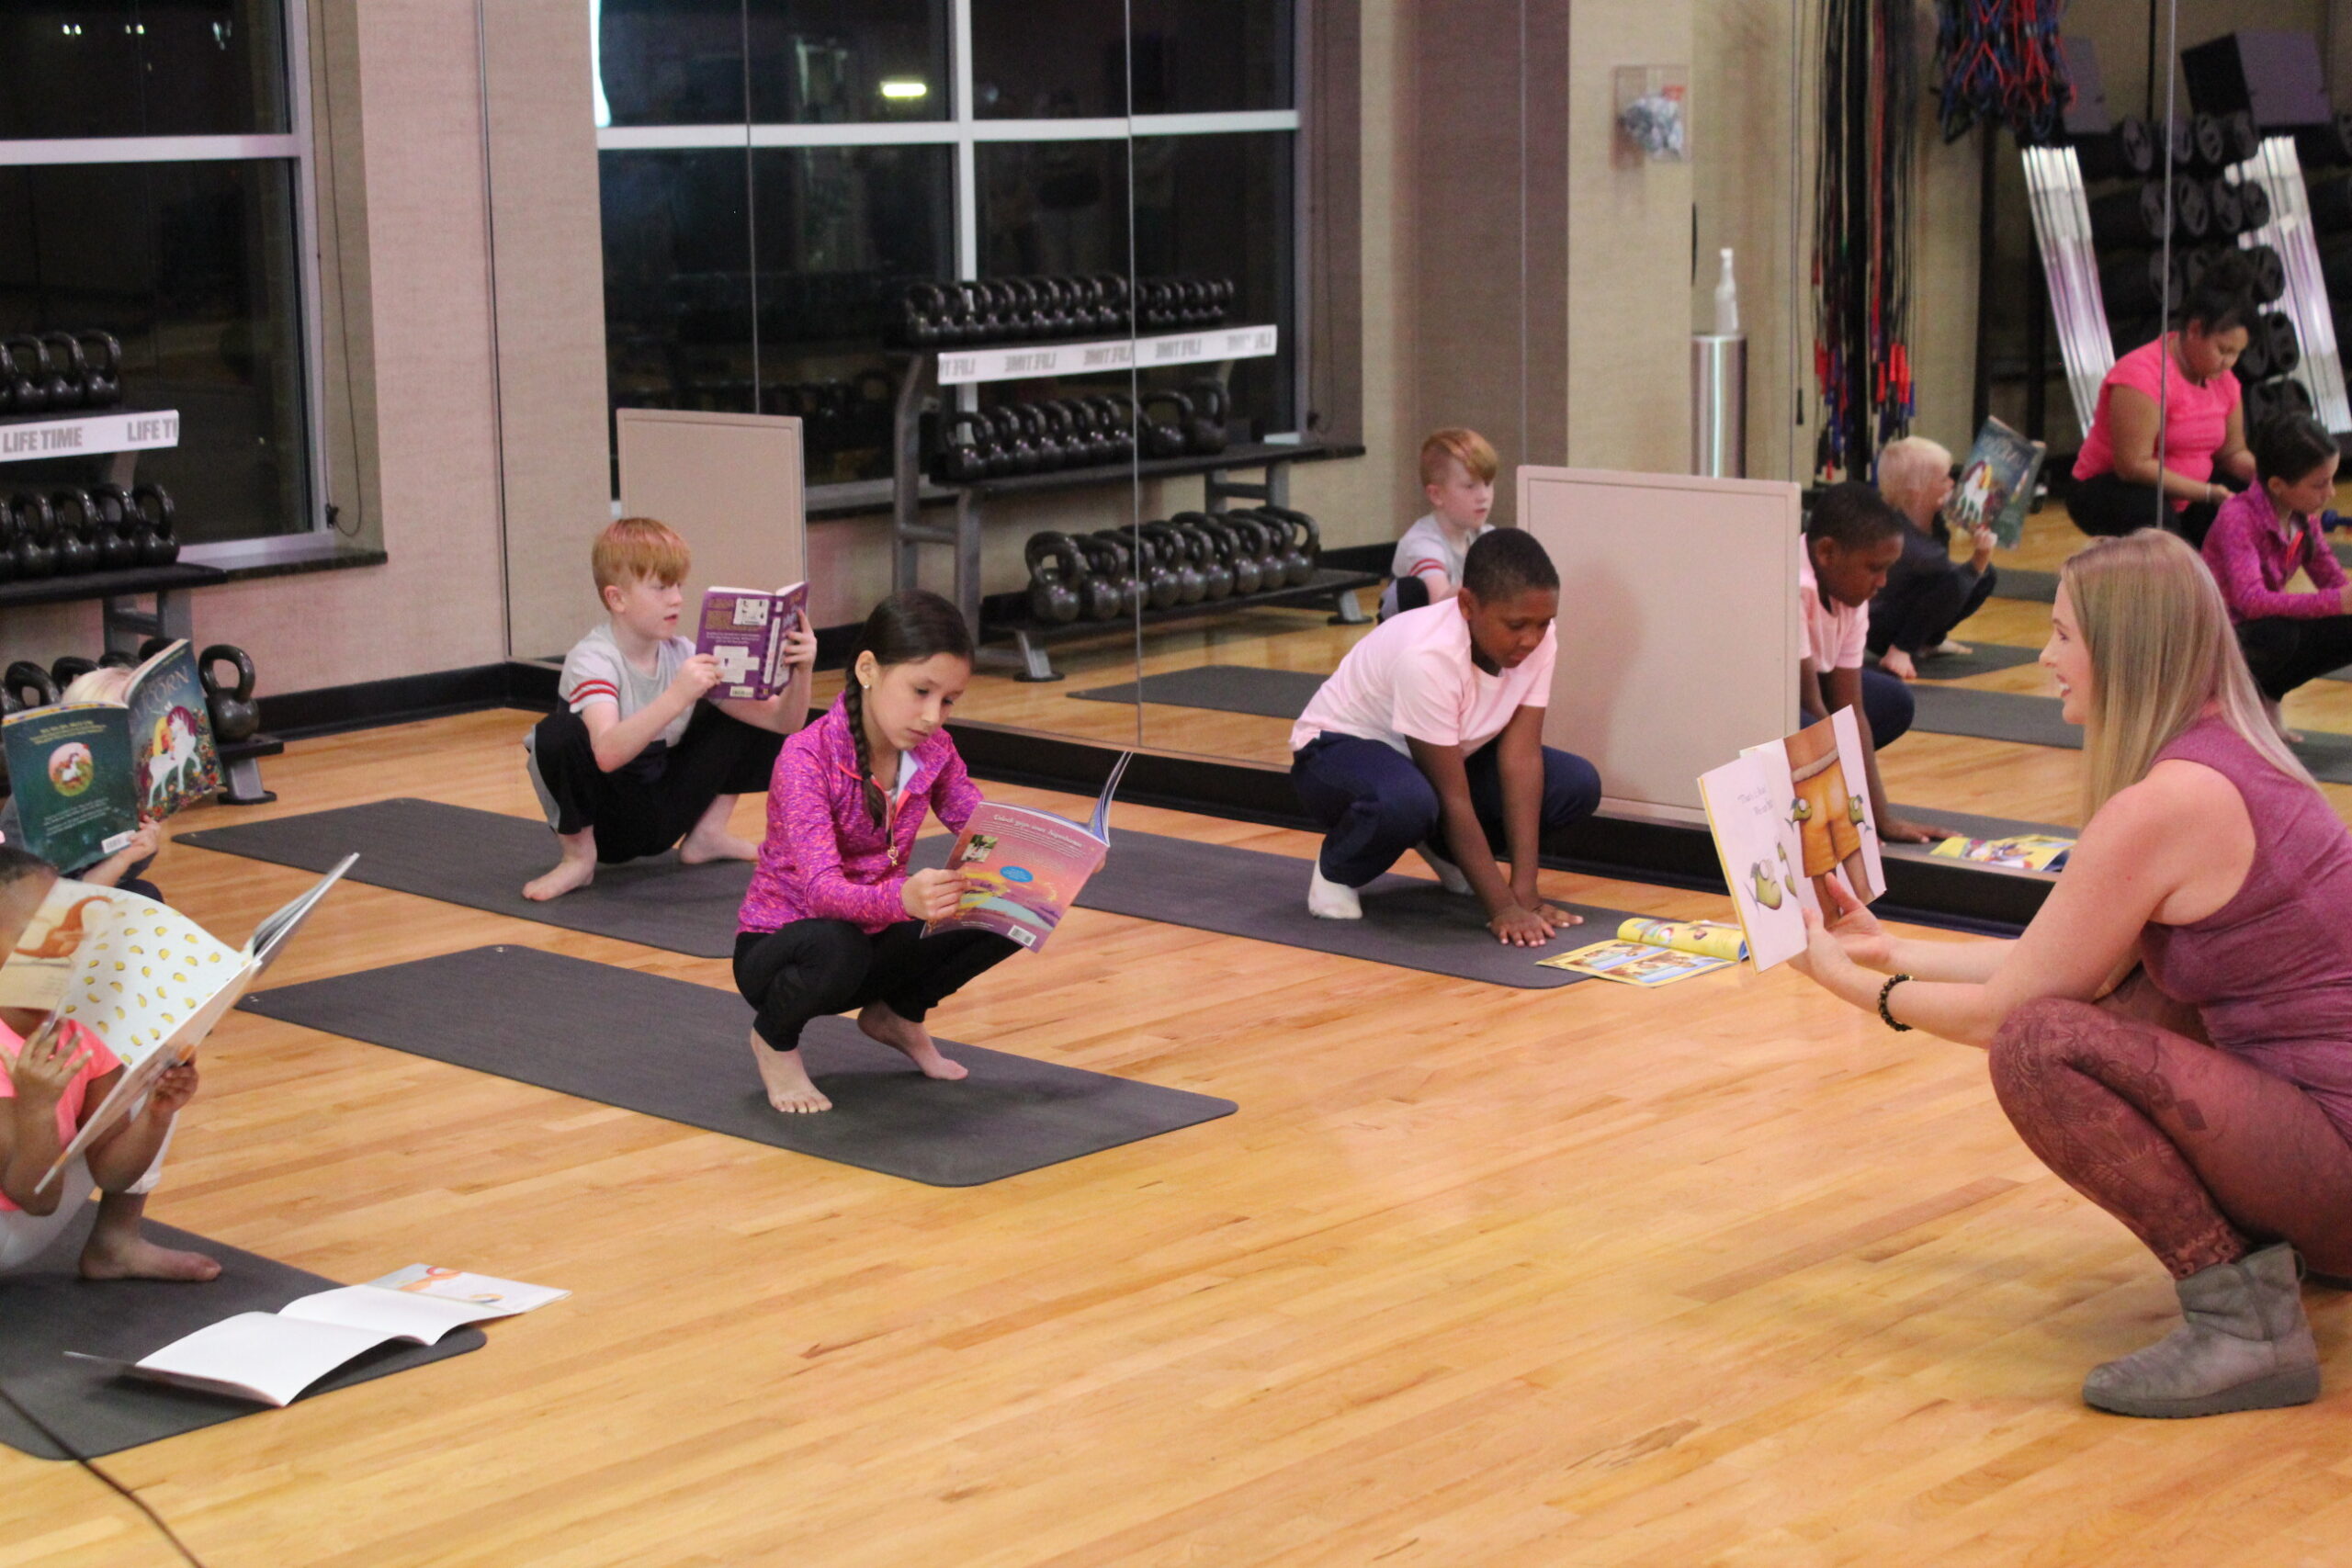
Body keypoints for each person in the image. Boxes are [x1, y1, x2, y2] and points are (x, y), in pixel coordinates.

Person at [1790, 528, 2352, 1418]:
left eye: (2062, 635)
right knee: (2133, 996)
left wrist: (1854, 987)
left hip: (2334, 1156)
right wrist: (1891, 948)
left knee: (2037, 1045)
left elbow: (2015, 1010)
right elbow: (2064, 961)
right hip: (2324, 1144)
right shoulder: (2228, 757)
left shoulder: (2168, 803)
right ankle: (2274, 1273)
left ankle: (2247, 1328)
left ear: (2121, 652)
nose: (2047, 657)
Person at [732, 592, 1017, 1115]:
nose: (933, 716)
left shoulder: (935, 751)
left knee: (1013, 903)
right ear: (868, 669)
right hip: (786, 951)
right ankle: (773, 1040)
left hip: (875, 941)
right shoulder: (805, 758)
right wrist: (906, 901)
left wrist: (1057, 852)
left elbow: (981, 830)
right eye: (921, 691)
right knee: (838, 944)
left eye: (948, 700)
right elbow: (822, 893)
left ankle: (896, 1014)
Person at [1291, 527, 1602, 946]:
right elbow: (1451, 795)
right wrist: (1501, 907)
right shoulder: (1428, 657)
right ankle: (1337, 869)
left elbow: (1521, 760)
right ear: (1468, 605)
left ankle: (1441, 846)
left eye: (1543, 623)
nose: (1531, 638)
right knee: (1408, 801)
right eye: (1516, 625)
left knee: (1574, 783)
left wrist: (1524, 894)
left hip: (1435, 761)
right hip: (1334, 753)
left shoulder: (1538, 641)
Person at [523, 516, 817, 900]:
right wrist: (679, 694)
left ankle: (708, 835)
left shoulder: (683, 654)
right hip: (607, 819)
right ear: (617, 598)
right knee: (556, 735)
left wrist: (802, 671)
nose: (676, 598)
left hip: (662, 805)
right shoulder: (592, 659)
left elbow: (784, 723)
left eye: (678, 586)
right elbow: (608, 753)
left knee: (739, 703)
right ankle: (578, 859)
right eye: (660, 588)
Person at [0, 845, 214, 1280]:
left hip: (22, 1225)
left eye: (67, 926)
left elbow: (113, 1172)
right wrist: (37, 1108)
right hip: (16, 1219)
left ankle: (116, 1245)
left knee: (152, 1057)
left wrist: (156, 1112)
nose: (60, 944)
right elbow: (35, 1199)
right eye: (33, 934)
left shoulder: (77, 1027)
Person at [2068, 255, 2258, 547]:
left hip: (2184, 495)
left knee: (2247, 504)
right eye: (2223, 350)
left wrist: (2274, 478)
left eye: (2237, 353)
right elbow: (2133, 466)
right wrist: (2206, 492)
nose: (2229, 362)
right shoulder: (2141, 374)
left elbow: (2232, 453)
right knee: (2162, 529)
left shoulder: (2225, 382)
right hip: (2111, 489)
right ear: (2194, 330)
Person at [1800, 483, 1932, 843]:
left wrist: (1880, 817)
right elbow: (1812, 704)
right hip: (1762, 703)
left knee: (1893, 704)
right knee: (1808, 727)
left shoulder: (1850, 596)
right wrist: (1848, 815)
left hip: (1808, 694)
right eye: (1874, 568)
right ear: (1827, 552)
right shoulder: (1792, 585)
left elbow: (1850, 708)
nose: (1883, 582)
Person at [2201, 412, 2352, 721]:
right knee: (2277, 633)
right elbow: (2252, 602)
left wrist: (2345, 599)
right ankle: (2230, 704)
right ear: (2278, 485)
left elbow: (2333, 581)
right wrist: (2337, 602)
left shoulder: (2303, 517)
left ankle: (2267, 697)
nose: (2330, 494)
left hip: (2258, 632)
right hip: (2220, 638)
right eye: (2319, 484)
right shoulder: (2237, 518)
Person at [0, 667, 165, 901]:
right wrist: (120, 860)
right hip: (34, 912)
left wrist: (140, 848)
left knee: (145, 894)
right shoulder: (30, 808)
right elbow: (53, 905)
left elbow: (122, 878)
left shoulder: (121, 789)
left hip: (88, 894)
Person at [1869, 435, 1997, 680]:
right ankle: (1900, 649)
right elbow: (1947, 577)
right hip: (1880, 624)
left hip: (1904, 610)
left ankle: (1929, 641)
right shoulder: (1900, 534)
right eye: (1944, 479)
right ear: (1917, 491)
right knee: (1961, 578)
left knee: (1985, 575)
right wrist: (1979, 557)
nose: (1952, 484)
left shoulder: (1933, 522)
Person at [1377, 428, 1497, 620]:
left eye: (1488, 483)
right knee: (1412, 590)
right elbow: (1440, 608)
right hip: (1410, 641)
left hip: (1451, 638)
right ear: (1436, 495)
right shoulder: (1421, 543)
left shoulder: (1485, 536)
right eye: (1470, 486)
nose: (1483, 496)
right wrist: (1485, 583)